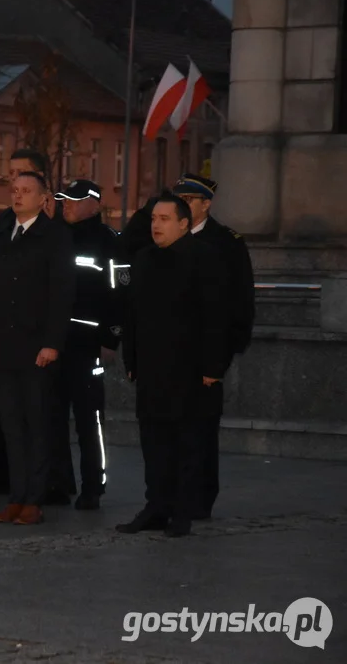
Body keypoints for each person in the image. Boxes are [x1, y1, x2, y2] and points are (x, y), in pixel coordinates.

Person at [117, 194, 230, 537]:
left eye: (165, 219)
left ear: (184, 224)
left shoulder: (205, 258)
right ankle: (156, 506)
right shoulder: (144, 259)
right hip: (152, 368)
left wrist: (213, 366)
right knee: (154, 441)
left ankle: (183, 511)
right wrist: (132, 359)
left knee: (188, 442)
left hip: (191, 370)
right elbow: (133, 314)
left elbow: (217, 317)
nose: (156, 225)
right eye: (153, 218)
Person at [0, 172, 75, 525]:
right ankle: (16, 496)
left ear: (43, 198)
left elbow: (62, 293)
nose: (18, 196)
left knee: (37, 423)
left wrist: (52, 343)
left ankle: (34, 498)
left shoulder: (55, 235)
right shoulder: (1, 231)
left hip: (35, 344)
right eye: (14, 190)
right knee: (11, 425)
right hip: (2, 342)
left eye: (26, 191)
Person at [172, 173, 255, 519]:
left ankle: (200, 499)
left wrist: (222, 356)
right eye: (179, 200)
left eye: (189, 201)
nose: (183, 207)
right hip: (172, 350)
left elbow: (239, 301)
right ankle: (173, 495)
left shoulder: (226, 243)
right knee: (173, 427)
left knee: (202, 428)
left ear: (206, 204)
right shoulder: (166, 236)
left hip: (207, 352)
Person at [50, 179, 125, 510]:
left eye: (75, 200)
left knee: (88, 419)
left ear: (95, 204)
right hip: (53, 341)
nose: (67, 204)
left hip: (87, 344)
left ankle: (93, 485)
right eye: (64, 199)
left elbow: (120, 294)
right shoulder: (54, 237)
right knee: (52, 417)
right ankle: (58, 482)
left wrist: (111, 337)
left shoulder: (109, 242)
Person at [0, 149, 52, 250]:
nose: (14, 178)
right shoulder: (2, 220)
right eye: (11, 172)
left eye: (21, 172)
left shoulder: (55, 221)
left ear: (39, 175)